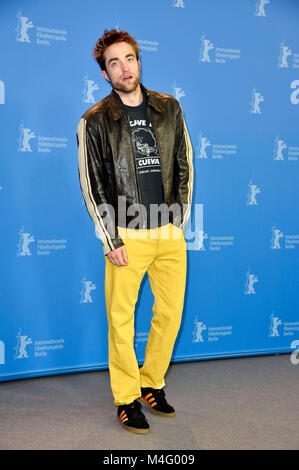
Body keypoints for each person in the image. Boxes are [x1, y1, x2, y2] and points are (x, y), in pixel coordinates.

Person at [77, 29, 193, 434]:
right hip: (127, 233)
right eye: (114, 63)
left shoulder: (169, 108)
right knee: (121, 320)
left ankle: (151, 383)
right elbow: (93, 186)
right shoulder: (94, 121)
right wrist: (111, 240)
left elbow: (185, 165)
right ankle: (126, 397)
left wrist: (177, 223)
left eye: (129, 58)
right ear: (105, 74)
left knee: (170, 315)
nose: (124, 67)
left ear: (139, 62)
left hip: (168, 234)